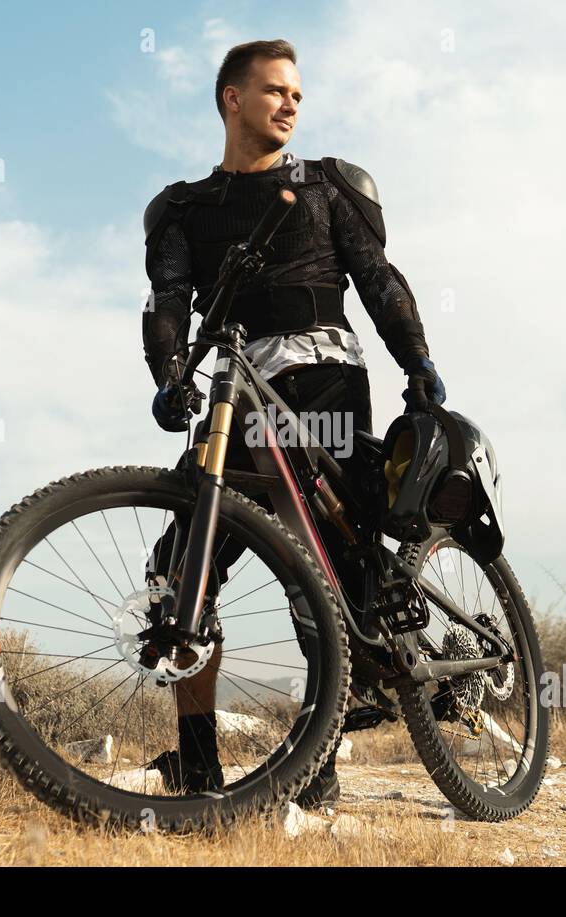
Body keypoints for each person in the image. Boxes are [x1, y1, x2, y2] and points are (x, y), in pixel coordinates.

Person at [139, 38, 445, 807]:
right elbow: (168, 301)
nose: (291, 104)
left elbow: (379, 280)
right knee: (183, 571)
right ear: (231, 99)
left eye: (298, 95)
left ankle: (321, 761)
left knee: (323, 563)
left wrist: (418, 364)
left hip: (324, 381)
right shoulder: (182, 207)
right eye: (275, 90)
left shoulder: (327, 186)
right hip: (233, 393)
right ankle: (199, 766)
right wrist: (168, 375)